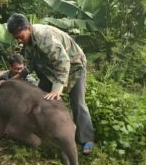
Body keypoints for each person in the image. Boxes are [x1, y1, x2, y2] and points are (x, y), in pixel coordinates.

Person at [7, 13, 94, 154]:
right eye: (16, 38)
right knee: (37, 99)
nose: (20, 41)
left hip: (73, 67)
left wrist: (57, 88)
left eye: (21, 37)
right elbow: (31, 62)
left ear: (28, 28)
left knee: (78, 103)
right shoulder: (28, 41)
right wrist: (21, 75)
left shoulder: (44, 36)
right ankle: (39, 130)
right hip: (50, 69)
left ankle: (87, 139)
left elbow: (63, 62)